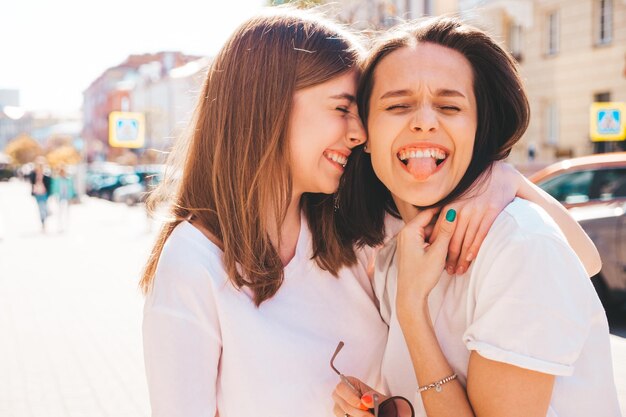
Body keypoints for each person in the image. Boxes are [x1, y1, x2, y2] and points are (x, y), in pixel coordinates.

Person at [332, 17, 619, 417]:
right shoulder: (395, 242)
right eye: (398, 105)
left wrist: (411, 309)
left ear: (478, 128)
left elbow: (576, 258)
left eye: (450, 106)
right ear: (364, 132)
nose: (424, 121)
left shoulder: (520, 247)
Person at [29, 156, 52, 232]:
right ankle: (43, 222)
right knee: (40, 208)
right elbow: (32, 182)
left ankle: (44, 220)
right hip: (37, 194)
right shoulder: (33, 174)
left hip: (44, 193)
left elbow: (49, 184)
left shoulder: (46, 174)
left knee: (43, 208)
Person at [51, 165, 75, 232]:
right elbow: (55, 189)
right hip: (60, 197)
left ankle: (66, 225)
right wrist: (55, 197)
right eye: (61, 172)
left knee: (67, 212)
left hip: (67, 197)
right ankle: (60, 226)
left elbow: (71, 189)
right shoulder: (57, 180)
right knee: (60, 212)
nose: (63, 173)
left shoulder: (68, 179)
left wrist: (71, 197)